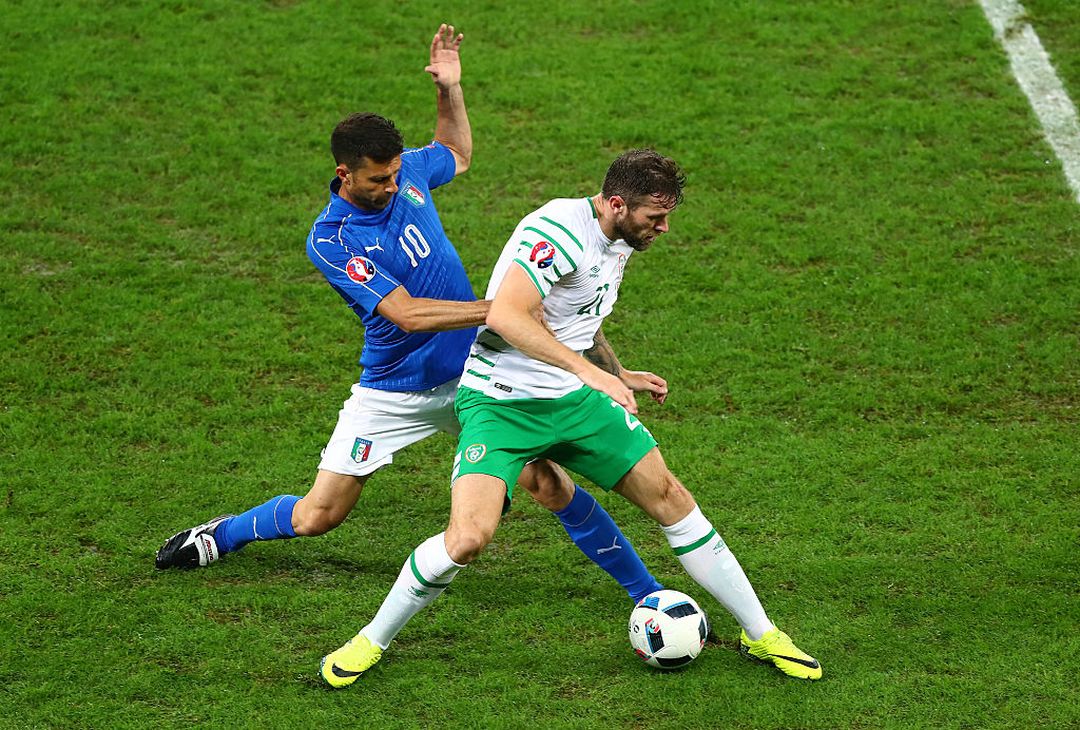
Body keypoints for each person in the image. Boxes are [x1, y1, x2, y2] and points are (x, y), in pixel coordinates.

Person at [154, 25, 663, 610]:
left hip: (475, 377)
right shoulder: (333, 239)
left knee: (549, 483)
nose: (394, 185)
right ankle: (224, 534)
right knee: (319, 515)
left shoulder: (407, 178)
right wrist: (503, 309)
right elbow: (409, 314)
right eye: (379, 179)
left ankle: (649, 595)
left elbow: (456, 152)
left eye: (397, 173)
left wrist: (450, 91)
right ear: (345, 174)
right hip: (393, 389)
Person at [320, 150, 822, 688]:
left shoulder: (620, 237)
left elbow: (582, 314)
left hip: (574, 400)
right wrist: (593, 376)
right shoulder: (556, 232)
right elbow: (506, 313)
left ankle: (760, 631)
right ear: (615, 203)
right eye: (655, 218)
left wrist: (616, 370)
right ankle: (371, 639)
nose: (664, 228)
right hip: (500, 403)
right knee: (467, 537)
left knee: (672, 499)